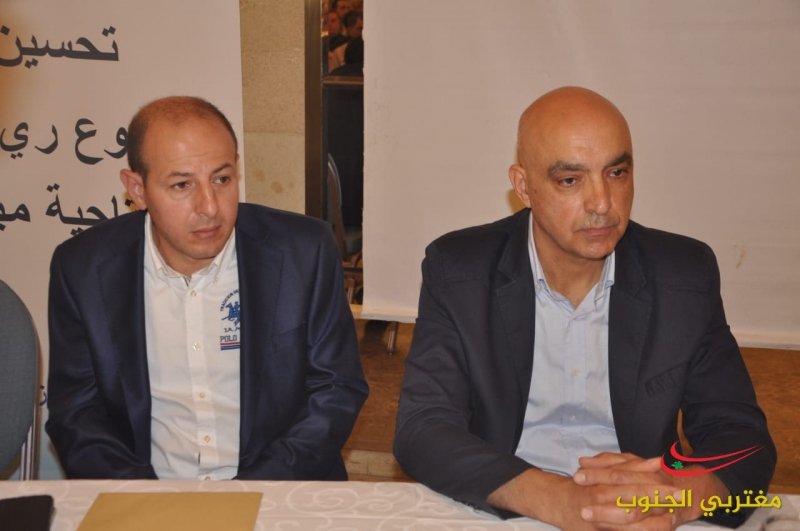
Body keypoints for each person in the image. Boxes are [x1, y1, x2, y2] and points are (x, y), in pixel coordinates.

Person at [393, 87, 775, 529]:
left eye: (617, 173)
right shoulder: (460, 270)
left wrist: (679, 497)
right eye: (570, 180)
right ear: (524, 186)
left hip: (641, 516)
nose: (602, 204)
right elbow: (423, 428)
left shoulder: (683, 274)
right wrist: (559, 499)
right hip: (506, 509)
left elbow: (743, 439)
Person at [46, 96, 368, 481]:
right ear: (137, 188)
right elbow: (77, 412)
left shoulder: (303, 251)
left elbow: (336, 390)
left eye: (222, 179)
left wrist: (246, 496)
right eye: (182, 184)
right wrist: (145, 500)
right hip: (147, 495)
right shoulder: (83, 268)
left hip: (279, 487)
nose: (210, 206)